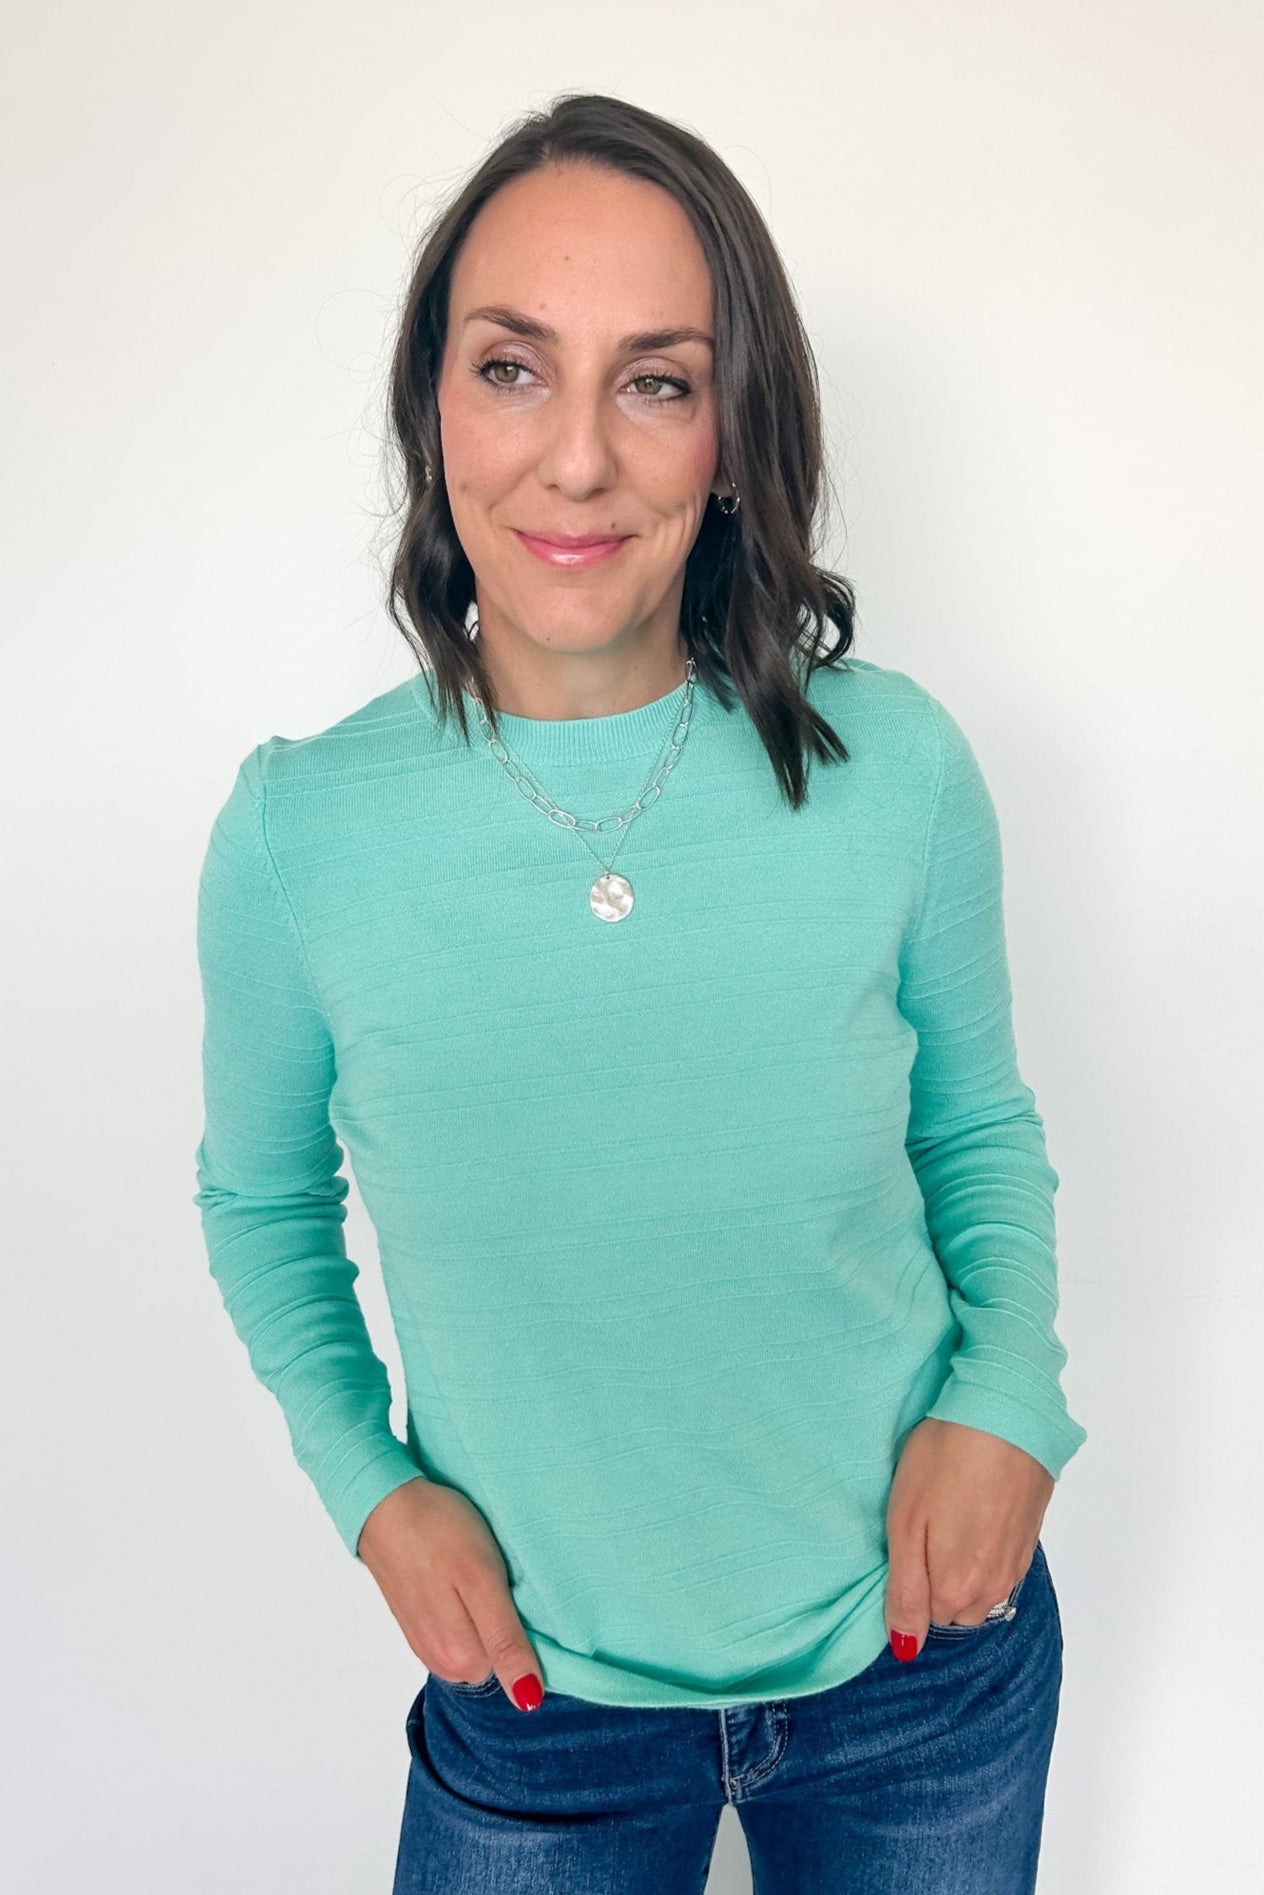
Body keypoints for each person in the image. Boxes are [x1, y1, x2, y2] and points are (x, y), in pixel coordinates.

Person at [193, 90, 1088, 1894]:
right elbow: (263, 1201)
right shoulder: (302, 835)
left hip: (924, 1661)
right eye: (514, 368)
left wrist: (1005, 1395)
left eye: (658, 381)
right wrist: (374, 1489)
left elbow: (977, 1121)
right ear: (432, 409)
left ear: (735, 435)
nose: (579, 460)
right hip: (537, 1700)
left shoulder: (893, 770)